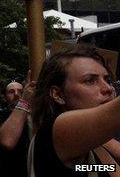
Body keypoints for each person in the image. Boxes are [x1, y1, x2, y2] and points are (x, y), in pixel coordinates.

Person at [30, 46, 119, 174]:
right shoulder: (58, 131)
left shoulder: (91, 146)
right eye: (90, 81)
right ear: (58, 95)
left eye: (107, 80)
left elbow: (104, 168)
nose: (108, 88)